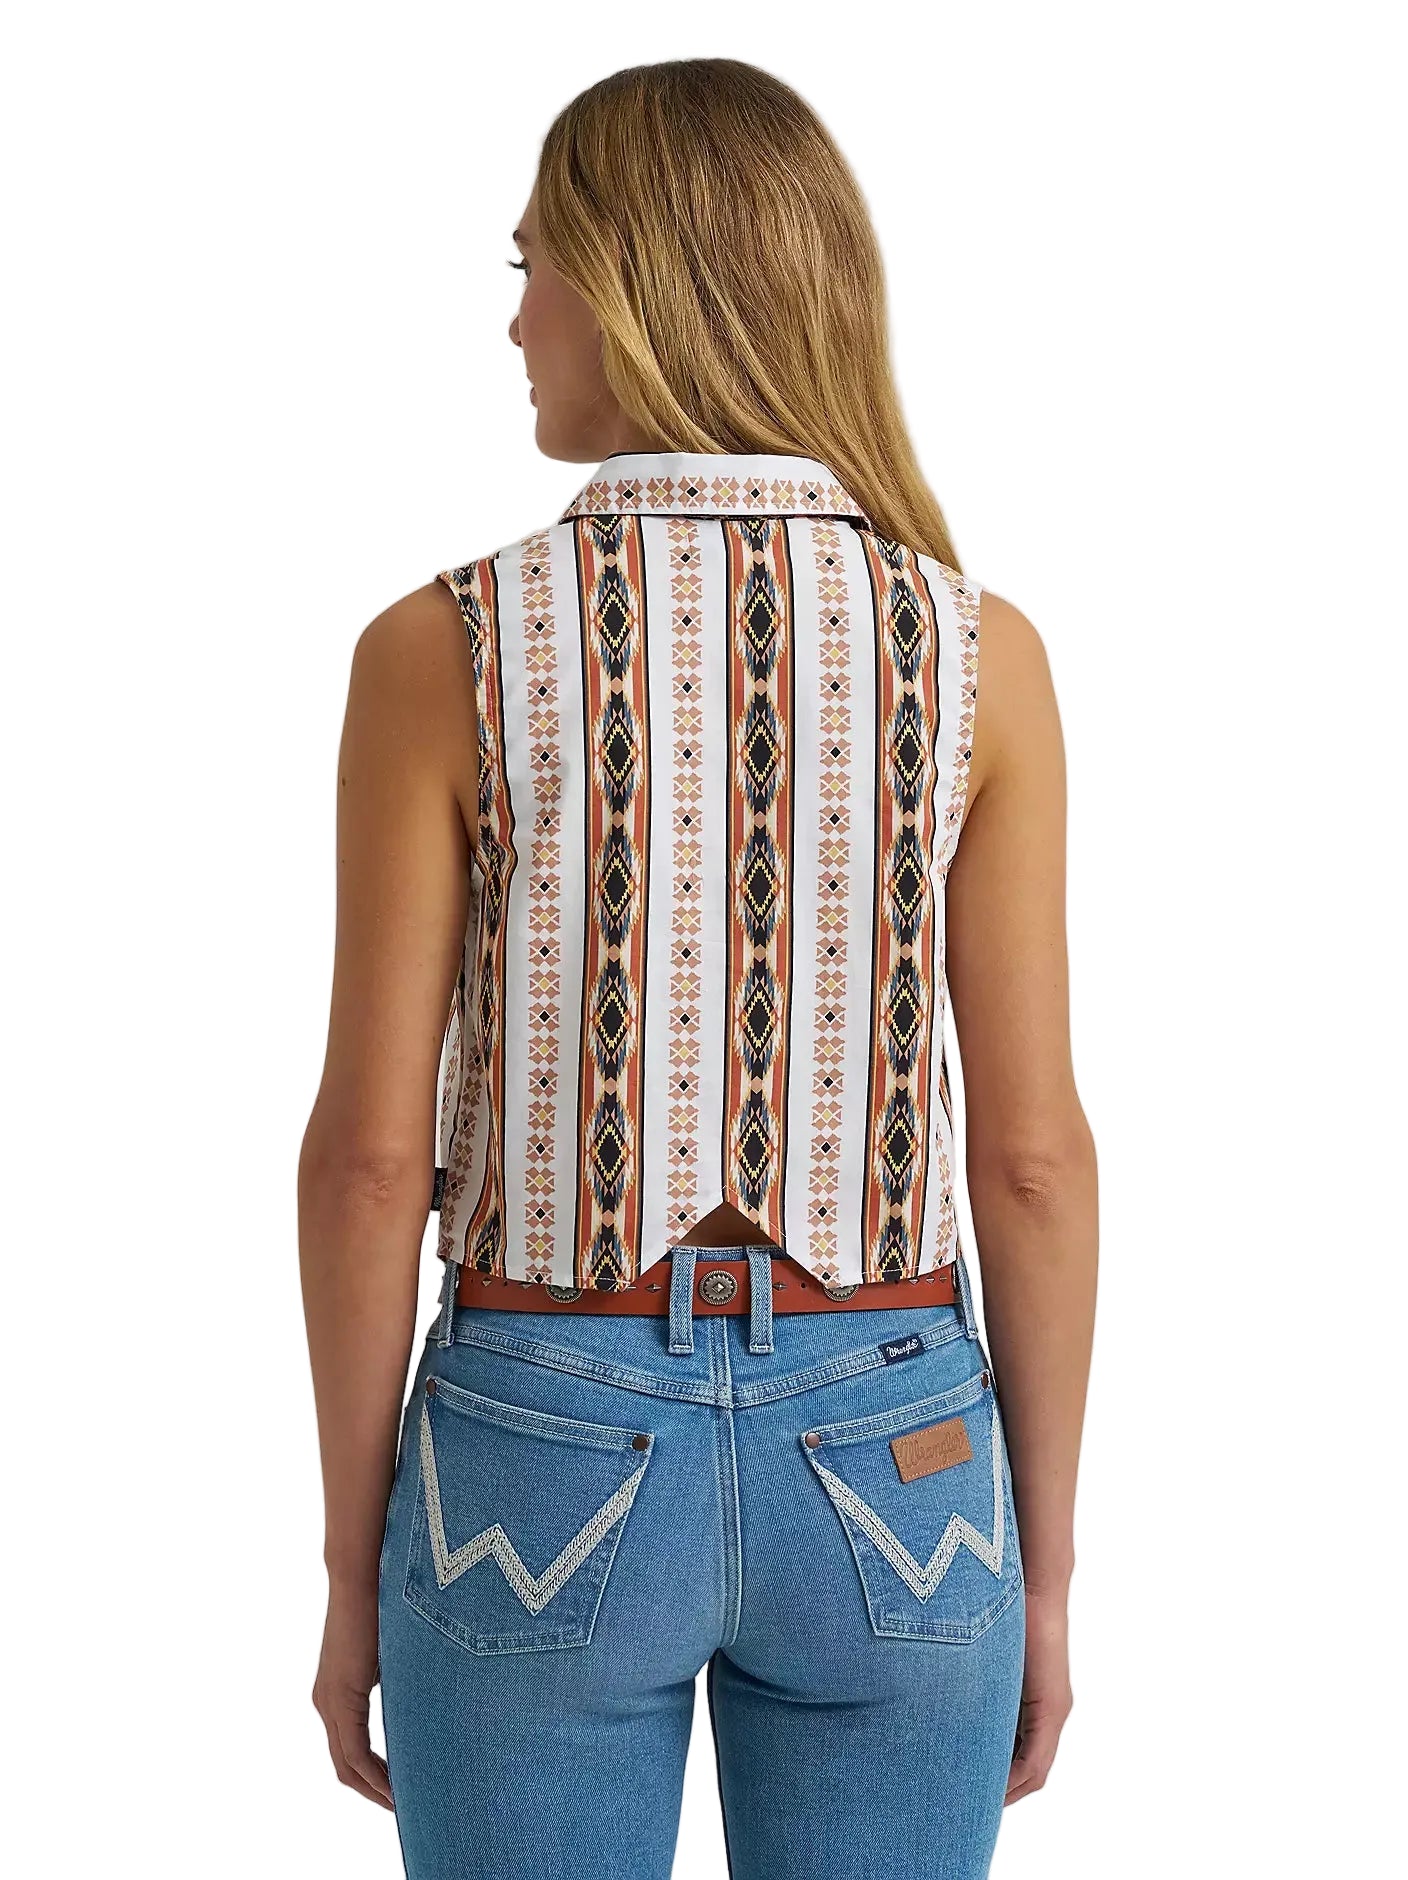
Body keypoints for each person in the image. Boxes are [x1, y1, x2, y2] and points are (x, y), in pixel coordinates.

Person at [298, 56, 1098, 1880]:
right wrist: (1041, 1571)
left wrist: (353, 1568)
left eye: (535, 268)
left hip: (538, 1436)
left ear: (638, 284)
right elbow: (1034, 1160)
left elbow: (368, 1161)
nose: (515, 322)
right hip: (897, 1448)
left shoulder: (445, 647)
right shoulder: (979, 654)